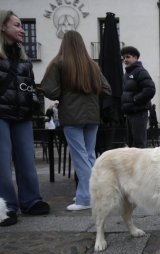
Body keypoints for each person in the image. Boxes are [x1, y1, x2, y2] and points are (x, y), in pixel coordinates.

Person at [41, 30, 112, 211]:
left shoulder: (59, 62)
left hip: (72, 115)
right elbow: (106, 88)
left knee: (80, 156)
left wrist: (62, 93)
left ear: (64, 43)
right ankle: (87, 194)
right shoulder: (92, 65)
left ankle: (88, 198)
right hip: (92, 115)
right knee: (88, 155)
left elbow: (49, 89)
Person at [0, 10, 50, 226]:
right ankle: (6, 206)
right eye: (17, 25)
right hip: (1, 113)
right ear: (2, 27)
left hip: (23, 115)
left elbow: (29, 86)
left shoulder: (24, 59)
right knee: (2, 162)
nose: (22, 30)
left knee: (27, 160)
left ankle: (30, 200)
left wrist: (33, 100)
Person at [120, 46, 155, 148]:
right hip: (130, 114)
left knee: (139, 145)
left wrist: (135, 99)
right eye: (124, 58)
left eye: (128, 57)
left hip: (139, 114)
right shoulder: (127, 74)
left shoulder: (140, 71)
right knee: (131, 145)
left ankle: (142, 164)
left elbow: (150, 90)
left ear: (135, 58)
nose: (125, 60)